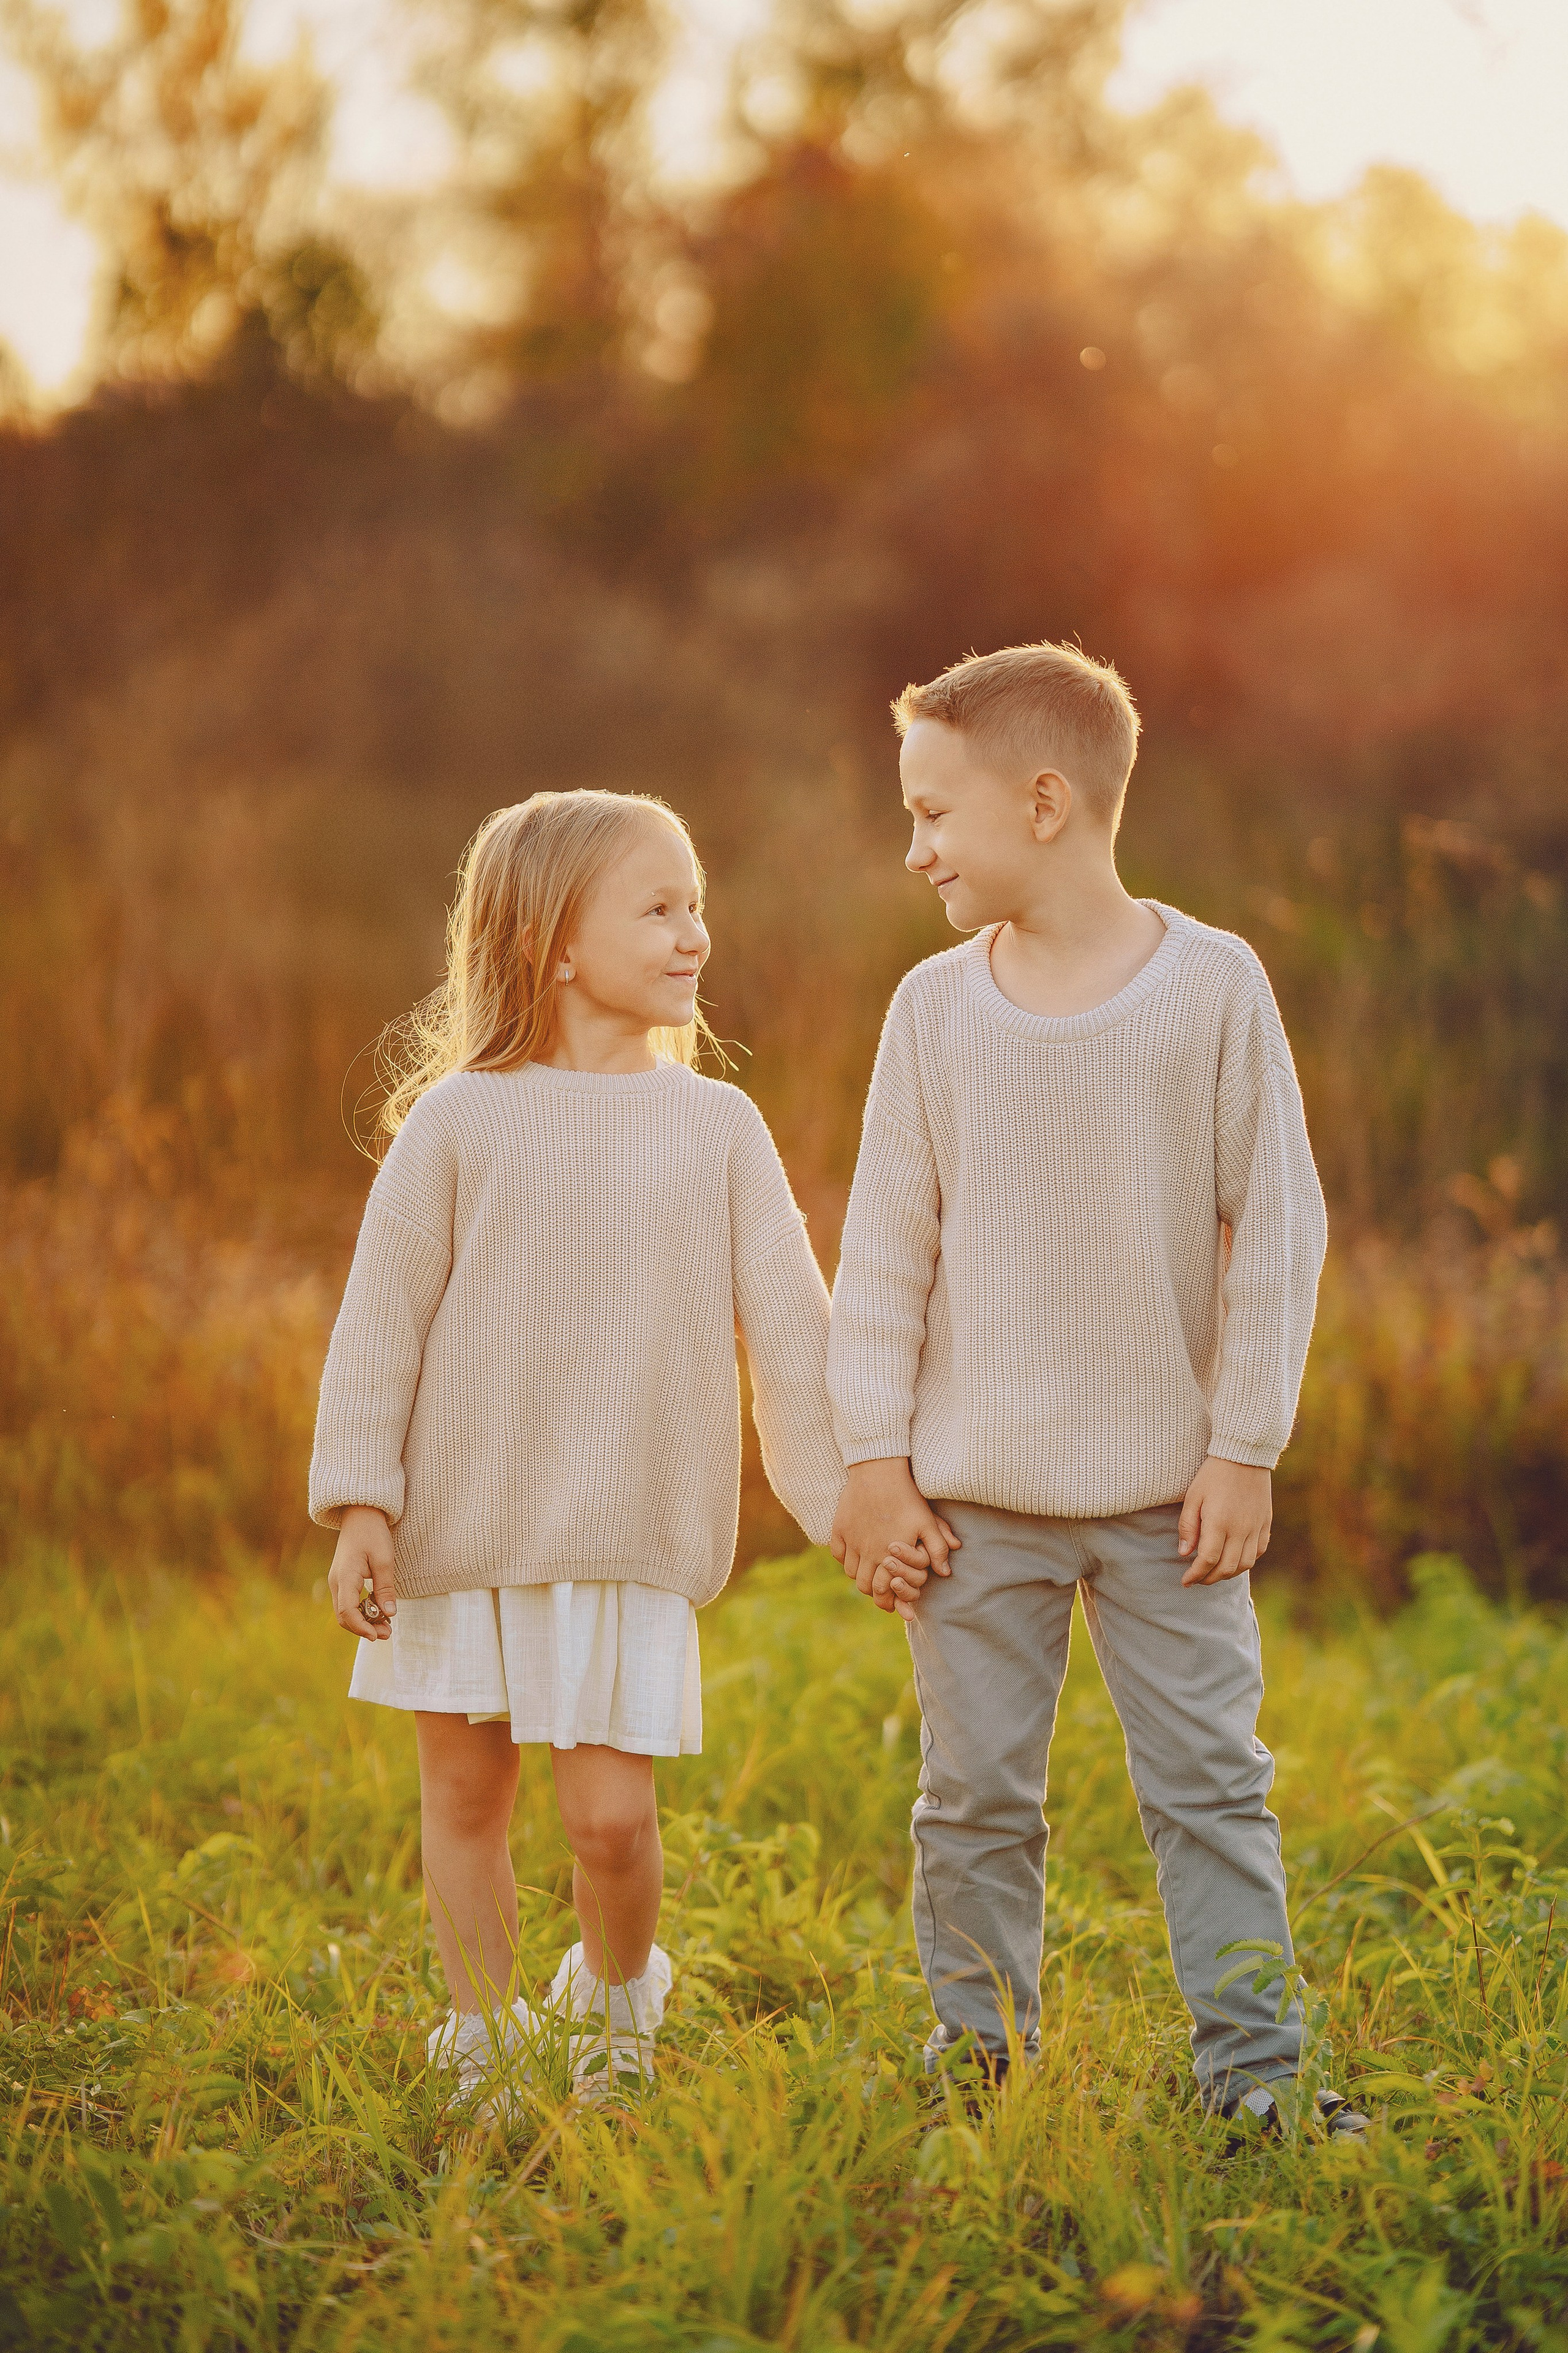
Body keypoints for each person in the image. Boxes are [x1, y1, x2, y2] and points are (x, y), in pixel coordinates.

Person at [827, 642, 1365, 2138]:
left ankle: (1254, 2075)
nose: (917, 846)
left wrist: (1243, 1442)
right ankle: (978, 2066)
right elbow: (880, 1254)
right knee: (974, 1800)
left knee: (1210, 1786)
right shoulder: (929, 1014)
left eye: (935, 813)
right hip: (972, 1506)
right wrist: (871, 1459)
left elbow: (1278, 1226)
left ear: (1045, 800)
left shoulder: (1210, 988)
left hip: (1165, 1498)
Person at [309, 790, 842, 2109]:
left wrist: (852, 1503)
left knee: (609, 1822)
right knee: (467, 1795)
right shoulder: (456, 1122)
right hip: (463, 1526)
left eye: (697, 904)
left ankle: (616, 2005)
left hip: (622, 1529)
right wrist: (361, 1504)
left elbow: (793, 1334)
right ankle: (484, 2039)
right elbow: (380, 1322)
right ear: (552, 942)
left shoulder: (715, 1127)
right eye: (658, 908)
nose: (694, 935)